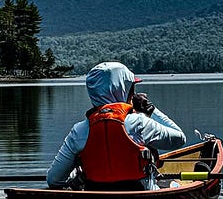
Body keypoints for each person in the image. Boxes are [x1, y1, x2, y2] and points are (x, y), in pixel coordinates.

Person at [45, 62, 186, 190]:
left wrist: (76, 175)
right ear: (122, 89)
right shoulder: (140, 123)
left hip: (96, 194)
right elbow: (180, 139)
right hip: (140, 193)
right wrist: (151, 109)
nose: (133, 94)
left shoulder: (78, 131)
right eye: (132, 88)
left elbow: (54, 180)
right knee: (173, 184)